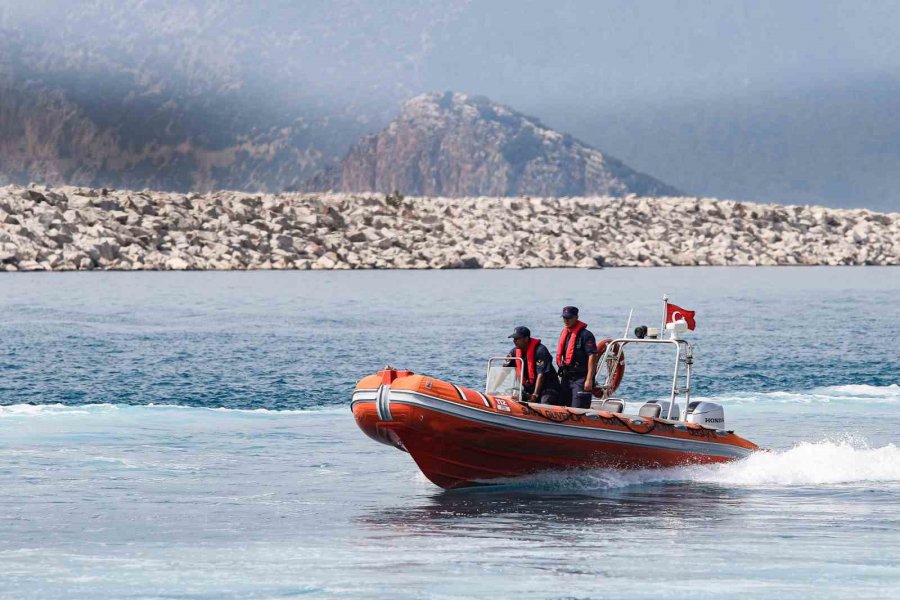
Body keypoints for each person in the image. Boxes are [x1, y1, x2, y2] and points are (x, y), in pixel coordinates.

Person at [555, 306, 599, 408]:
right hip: (567, 376)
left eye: (569, 318)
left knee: (578, 407)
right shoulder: (564, 334)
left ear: (576, 317)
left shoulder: (586, 335)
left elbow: (592, 356)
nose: (566, 320)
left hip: (581, 378)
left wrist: (589, 380)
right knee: (561, 405)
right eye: (564, 317)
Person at [505, 326, 560, 405]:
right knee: (513, 398)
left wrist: (535, 395)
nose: (514, 341)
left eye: (517, 339)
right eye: (514, 339)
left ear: (526, 338)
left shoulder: (540, 351)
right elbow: (504, 372)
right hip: (530, 390)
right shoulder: (514, 352)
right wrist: (493, 390)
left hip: (547, 388)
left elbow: (540, 375)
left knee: (545, 403)